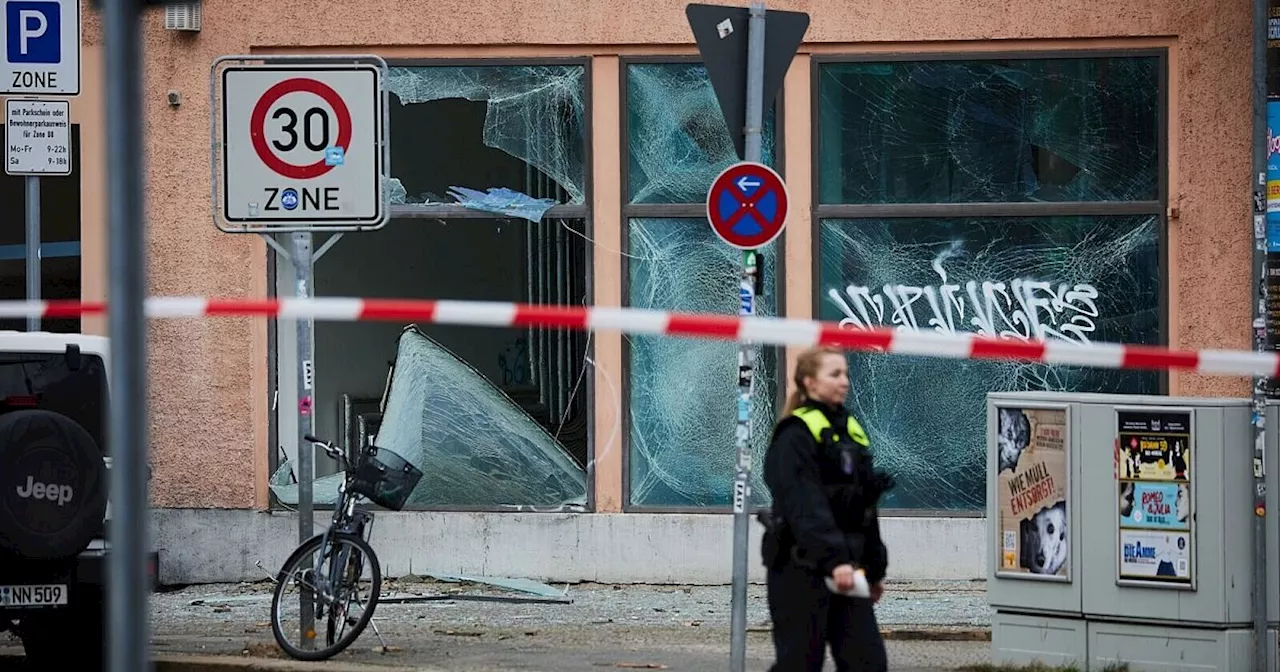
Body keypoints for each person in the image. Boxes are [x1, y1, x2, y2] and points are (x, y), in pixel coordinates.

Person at [758, 345, 895, 672]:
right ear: (809, 382)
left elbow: (863, 508)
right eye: (834, 374)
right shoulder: (794, 436)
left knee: (868, 663)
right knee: (799, 664)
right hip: (801, 570)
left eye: (845, 374)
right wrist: (834, 560)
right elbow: (804, 505)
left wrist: (874, 569)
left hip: (847, 570)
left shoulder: (849, 431)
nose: (844, 381)